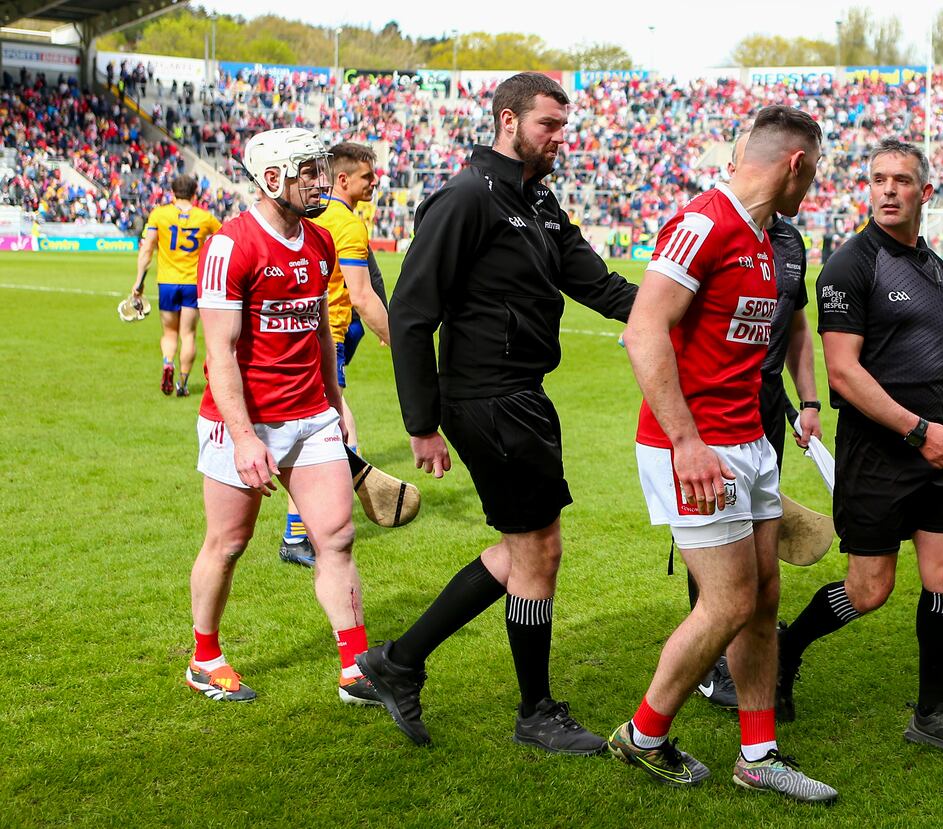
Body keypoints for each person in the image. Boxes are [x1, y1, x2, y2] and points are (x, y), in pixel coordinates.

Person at [357, 72, 637, 753]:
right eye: (549, 126)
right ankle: (535, 711)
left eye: (562, 127)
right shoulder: (464, 198)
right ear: (509, 121)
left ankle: (398, 660)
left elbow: (597, 283)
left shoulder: (537, 201)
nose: (558, 140)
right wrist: (421, 422)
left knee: (525, 548)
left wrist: (681, 310)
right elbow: (413, 313)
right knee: (538, 550)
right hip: (485, 396)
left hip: (523, 394)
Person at [611, 106, 837, 803]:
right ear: (796, 163)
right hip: (696, 447)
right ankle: (642, 734)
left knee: (765, 598)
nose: (813, 186)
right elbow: (642, 330)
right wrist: (686, 442)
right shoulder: (703, 222)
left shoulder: (770, 236)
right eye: (816, 172)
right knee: (730, 599)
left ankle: (758, 753)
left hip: (750, 442)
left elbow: (781, 331)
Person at [775, 137, 943, 759]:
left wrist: (935, 432)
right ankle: (786, 650)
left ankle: (932, 712)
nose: (889, 191)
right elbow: (843, 373)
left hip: (938, 437)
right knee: (871, 588)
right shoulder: (851, 264)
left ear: (925, 192)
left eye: (902, 180)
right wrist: (917, 432)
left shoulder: (930, 263)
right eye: (878, 180)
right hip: (881, 449)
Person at [185, 128, 380, 707]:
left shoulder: (319, 240)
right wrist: (245, 438)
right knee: (229, 541)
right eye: (307, 173)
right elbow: (220, 352)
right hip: (241, 420)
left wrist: (337, 401)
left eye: (321, 171)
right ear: (271, 179)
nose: (320, 182)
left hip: (311, 414)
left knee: (337, 537)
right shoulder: (231, 245)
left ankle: (356, 667)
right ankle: (204, 657)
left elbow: (319, 325)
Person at [693, 131, 823, 710]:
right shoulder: (707, 227)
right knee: (717, 537)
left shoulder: (791, 242)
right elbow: (660, 326)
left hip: (765, 404)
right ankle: (712, 663)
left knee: (754, 551)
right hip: (714, 409)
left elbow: (796, 327)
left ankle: (748, 662)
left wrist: (810, 402)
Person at [278, 141, 392, 568]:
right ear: (343, 179)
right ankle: (307, 533)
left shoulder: (311, 213)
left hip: (301, 333)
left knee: (324, 429)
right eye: (367, 176)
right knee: (333, 433)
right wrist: (402, 344)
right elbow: (361, 294)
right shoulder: (346, 223)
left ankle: (304, 531)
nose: (374, 183)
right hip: (328, 336)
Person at [131, 174, 221, 396]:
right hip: (193, 284)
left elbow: (147, 250)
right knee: (188, 335)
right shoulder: (204, 217)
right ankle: (182, 383)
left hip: (168, 283)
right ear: (194, 193)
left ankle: (167, 363)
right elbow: (225, 239)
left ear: (172, 192)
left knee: (169, 333)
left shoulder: (160, 215)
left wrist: (139, 282)